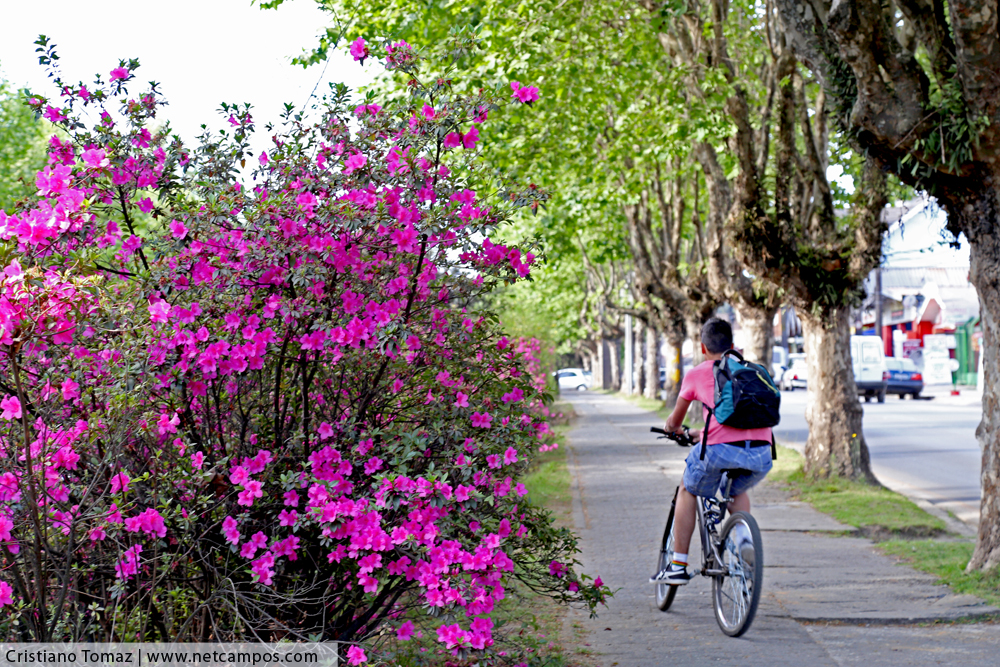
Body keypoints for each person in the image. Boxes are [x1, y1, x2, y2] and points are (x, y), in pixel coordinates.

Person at [649, 317, 773, 585]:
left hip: (719, 451)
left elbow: (674, 422)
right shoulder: (750, 369)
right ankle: (743, 540)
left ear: (702, 348)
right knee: (736, 490)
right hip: (763, 453)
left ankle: (677, 566)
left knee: (687, 488)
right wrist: (702, 434)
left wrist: (674, 429)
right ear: (732, 345)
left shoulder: (698, 373)